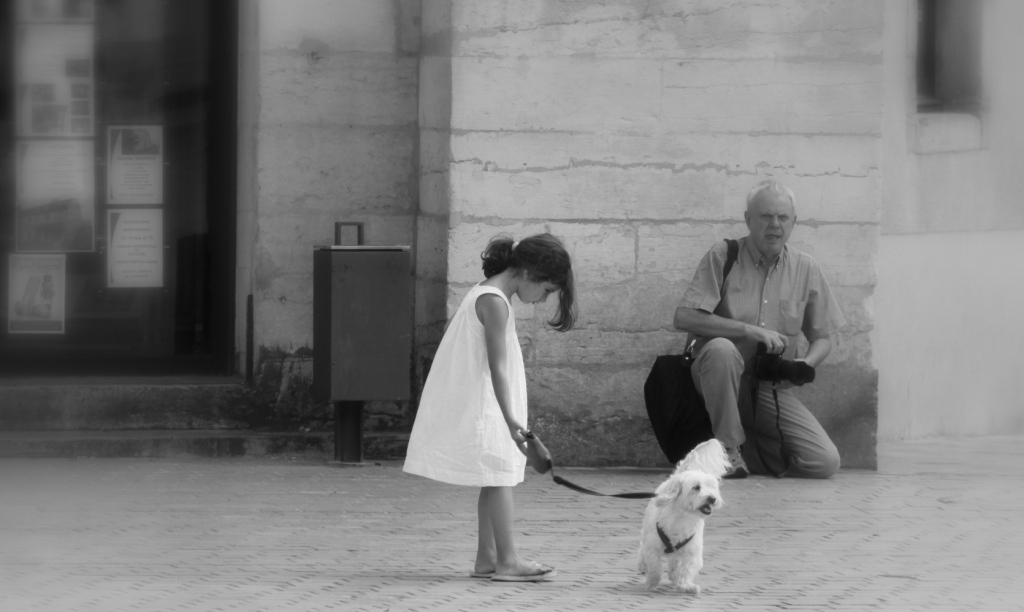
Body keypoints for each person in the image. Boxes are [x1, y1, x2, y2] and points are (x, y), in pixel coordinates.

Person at [403, 233, 576, 581]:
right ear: (528, 273)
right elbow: (497, 366)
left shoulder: (487, 292)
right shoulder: (495, 301)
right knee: (499, 478)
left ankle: (488, 558)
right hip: (490, 406)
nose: (544, 299)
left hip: (490, 404)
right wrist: (512, 420)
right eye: (547, 289)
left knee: (493, 479)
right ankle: (508, 561)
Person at [673, 180, 845, 479]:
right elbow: (684, 317)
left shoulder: (806, 268)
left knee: (824, 462)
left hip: (766, 387)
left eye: (783, 217)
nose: (775, 225)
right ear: (748, 219)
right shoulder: (724, 255)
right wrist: (748, 330)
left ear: (794, 222)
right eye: (766, 216)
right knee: (722, 349)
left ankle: (730, 447)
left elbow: (823, 338)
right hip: (716, 379)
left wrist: (804, 364)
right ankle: (727, 450)